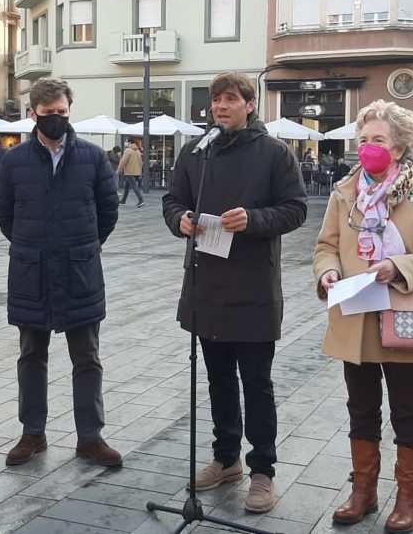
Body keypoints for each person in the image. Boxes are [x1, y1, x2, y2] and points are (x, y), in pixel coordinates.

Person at [162, 72, 308, 513]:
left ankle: (262, 469)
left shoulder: (274, 153)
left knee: (257, 384)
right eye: (216, 100)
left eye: (230, 99)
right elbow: (172, 200)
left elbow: (296, 209)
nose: (221, 107)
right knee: (218, 380)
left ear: (249, 103)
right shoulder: (196, 152)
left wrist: (255, 220)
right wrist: (181, 220)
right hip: (207, 285)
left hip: (254, 287)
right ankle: (226, 459)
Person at [311, 101, 413, 529]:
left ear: (402, 146)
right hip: (355, 317)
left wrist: (399, 267)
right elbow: (325, 247)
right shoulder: (344, 192)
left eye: (379, 140)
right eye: (364, 139)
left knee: (408, 410)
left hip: (402, 318)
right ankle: (363, 491)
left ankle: (409, 497)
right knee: (361, 408)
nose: (368, 147)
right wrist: (329, 270)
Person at [0, 77, 122, 468]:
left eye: (61, 113)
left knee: (87, 358)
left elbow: (108, 211)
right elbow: (5, 215)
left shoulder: (93, 157)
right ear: (34, 114)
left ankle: (90, 438)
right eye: (48, 114)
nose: (55, 119)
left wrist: (83, 246)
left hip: (80, 271)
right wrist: (34, 245)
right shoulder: (14, 161)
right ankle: (33, 433)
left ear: (69, 111)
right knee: (31, 355)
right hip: (31, 273)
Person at [116, 140, 145, 207]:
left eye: (126, 142)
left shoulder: (128, 150)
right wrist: (140, 171)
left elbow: (123, 161)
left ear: (129, 143)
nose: (125, 143)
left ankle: (141, 200)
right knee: (127, 186)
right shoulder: (137, 151)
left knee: (134, 186)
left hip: (130, 171)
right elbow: (141, 162)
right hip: (136, 171)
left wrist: (119, 170)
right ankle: (123, 200)